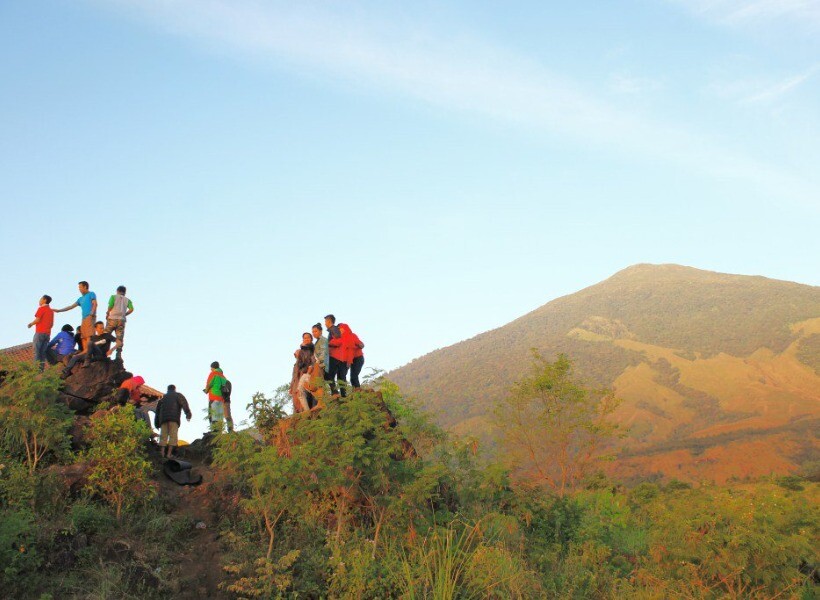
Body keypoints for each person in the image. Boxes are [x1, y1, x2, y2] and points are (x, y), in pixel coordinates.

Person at [54, 281, 97, 355]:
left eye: (80, 287)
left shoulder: (91, 294)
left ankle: (89, 352)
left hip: (89, 317)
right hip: (83, 318)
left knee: (89, 335)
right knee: (83, 336)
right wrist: (59, 310)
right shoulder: (80, 299)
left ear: (85, 287)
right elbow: (71, 306)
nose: (79, 289)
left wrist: (92, 313)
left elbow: (95, 303)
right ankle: (85, 351)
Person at [154, 384, 192, 459]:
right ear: (174, 389)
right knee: (173, 436)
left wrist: (157, 424)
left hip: (163, 420)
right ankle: (169, 454)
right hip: (174, 419)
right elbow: (184, 404)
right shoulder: (178, 395)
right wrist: (188, 415)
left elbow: (157, 412)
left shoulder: (163, 398)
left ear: (167, 390)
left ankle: (162, 454)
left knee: (163, 437)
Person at [104, 285, 134, 363]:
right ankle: (118, 355)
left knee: (106, 335)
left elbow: (110, 306)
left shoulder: (113, 297)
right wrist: (125, 314)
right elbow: (131, 309)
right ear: (125, 292)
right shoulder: (127, 300)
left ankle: (104, 352)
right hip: (121, 321)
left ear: (117, 291)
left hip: (112, 319)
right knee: (119, 338)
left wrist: (107, 313)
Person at [204, 361, 233, 433]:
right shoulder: (223, 376)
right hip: (221, 398)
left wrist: (206, 391)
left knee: (213, 414)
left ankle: (214, 431)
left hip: (213, 397)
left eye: (211, 369)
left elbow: (209, 384)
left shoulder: (213, 373)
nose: (211, 370)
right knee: (219, 415)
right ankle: (220, 431)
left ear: (213, 368)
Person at [27, 295, 54, 370]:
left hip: (40, 332)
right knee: (42, 353)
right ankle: (41, 370)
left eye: (40, 299)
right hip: (47, 334)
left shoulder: (41, 308)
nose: (39, 301)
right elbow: (51, 324)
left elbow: (37, 319)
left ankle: (36, 370)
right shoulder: (51, 311)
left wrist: (31, 324)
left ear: (44, 300)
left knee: (37, 352)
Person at [290, 335, 314, 413]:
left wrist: (307, 373)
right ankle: (303, 412)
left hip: (307, 375)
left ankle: (308, 412)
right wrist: (291, 387)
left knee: (307, 394)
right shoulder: (296, 365)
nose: (296, 354)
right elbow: (294, 377)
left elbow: (311, 363)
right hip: (297, 381)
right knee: (297, 397)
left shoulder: (311, 350)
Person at [325, 314, 345, 396]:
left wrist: (328, 344)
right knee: (332, 376)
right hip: (336, 356)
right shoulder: (333, 330)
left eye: (325, 321)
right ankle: (337, 393)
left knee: (329, 375)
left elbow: (339, 340)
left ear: (329, 321)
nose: (325, 323)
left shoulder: (334, 329)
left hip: (335, 356)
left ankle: (335, 393)